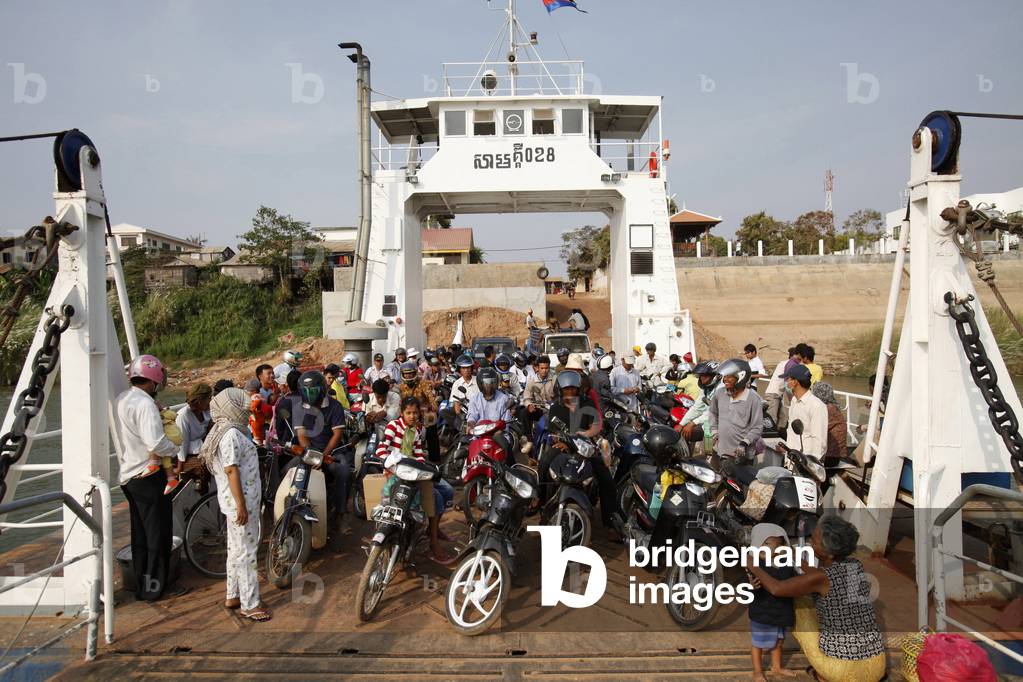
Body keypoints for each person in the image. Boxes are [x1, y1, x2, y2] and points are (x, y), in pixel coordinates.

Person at [746, 516, 886, 682]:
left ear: (828, 553)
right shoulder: (855, 565)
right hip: (876, 666)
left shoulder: (821, 578)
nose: (811, 542)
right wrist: (794, 556)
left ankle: (824, 675)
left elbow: (776, 589)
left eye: (815, 540)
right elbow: (816, 575)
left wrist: (752, 565)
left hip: (840, 671)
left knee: (799, 600)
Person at [199, 387, 271, 622]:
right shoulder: (230, 434)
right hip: (241, 503)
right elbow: (231, 469)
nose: (244, 406)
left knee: (235, 549)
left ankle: (233, 595)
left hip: (235, 503)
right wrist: (241, 504)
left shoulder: (223, 430)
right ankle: (250, 603)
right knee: (248, 552)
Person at [115, 354, 180, 601]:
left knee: (140, 534)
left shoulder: (123, 398)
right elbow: (155, 441)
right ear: (153, 380)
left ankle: (143, 585)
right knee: (158, 533)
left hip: (129, 475)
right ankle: (156, 588)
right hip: (148, 476)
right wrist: (174, 449)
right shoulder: (144, 405)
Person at [539, 371, 620, 541]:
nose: (570, 392)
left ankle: (610, 524)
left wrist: (588, 434)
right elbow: (554, 432)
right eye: (566, 389)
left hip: (585, 447)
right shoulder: (556, 407)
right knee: (544, 463)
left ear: (578, 389)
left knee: (607, 481)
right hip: (561, 446)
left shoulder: (588, 403)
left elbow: (595, 426)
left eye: (573, 389)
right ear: (560, 390)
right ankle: (541, 503)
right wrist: (563, 442)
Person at [376, 396, 454, 564]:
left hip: (414, 473)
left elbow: (418, 454)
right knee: (437, 499)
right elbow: (381, 449)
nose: (412, 416)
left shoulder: (417, 431)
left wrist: (423, 467)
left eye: (415, 413)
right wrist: (388, 462)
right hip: (396, 472)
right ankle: (433, 543)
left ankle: (433, 529)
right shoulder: (393, 426)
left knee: (447, 490)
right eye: (408, 413)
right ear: (401, 413)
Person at [292, 370, 351, 536]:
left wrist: (323, 456)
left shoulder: (335, 406)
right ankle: (291, 511)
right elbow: (302, 435)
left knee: (344, 472)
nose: (310, 395)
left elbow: (337, 435)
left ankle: (340, 515)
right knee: (287, 472)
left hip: (331, 452)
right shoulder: (298, 408)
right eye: (306, 391)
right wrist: (312, 455)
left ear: (322, 390)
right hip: (309, 452)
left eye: (313, 391)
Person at [746, 524, 795, 682]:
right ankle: (758, 671)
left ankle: (776, 667)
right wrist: (750, 586)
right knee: (758, 644)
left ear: (781, 547)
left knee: (778, 642)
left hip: (781, 612)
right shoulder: (753, 566)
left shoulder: (786, 565)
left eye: (768, 544)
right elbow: (744, 588)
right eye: (760, 544)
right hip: (761, 613)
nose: (762, 548)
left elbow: (793, 582)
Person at [708, 358, 763, 462]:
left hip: (739, 454)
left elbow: (757, 427)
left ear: (740, 377)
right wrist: (714, 431)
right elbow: (712, 413)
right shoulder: (719, 393)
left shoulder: (753, 398)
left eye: (729, 377)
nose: (725, 380)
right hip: (718, 451)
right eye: (724, 377)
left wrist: (745, 442)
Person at [782, 364, 828, 461]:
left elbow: (819, 441)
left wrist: (811, 465)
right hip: (791, 459)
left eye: (788, 379)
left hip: (806, 463)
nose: (786, 382)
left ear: (795, 382)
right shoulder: (794, 401)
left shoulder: (816, 406)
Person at [677, 361, 721, 446]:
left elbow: (715, 412)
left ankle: (711, 454)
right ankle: (708, 453)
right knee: (683, 431)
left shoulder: (721, 388)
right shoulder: (705, 388)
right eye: (701, 375)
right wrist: (681, 424)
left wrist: (693, 423)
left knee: (694, 431)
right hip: (709, 420)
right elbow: (697, 407)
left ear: (713, 375)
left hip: (721, 422)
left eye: (705, 375)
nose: (701, 378)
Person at [175, 383, 212, 477]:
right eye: (208, 398)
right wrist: (180, 468)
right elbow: (182, 443)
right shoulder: (183, 416)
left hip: (204, 446)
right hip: (188, 452)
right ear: (200, 402)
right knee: (203, 466)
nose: (210, 401)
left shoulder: (207, 411)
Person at [811, 382, 847, 466]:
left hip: (830, 456)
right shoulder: (832, 407)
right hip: (835, 455)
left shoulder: (827, 409)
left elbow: (815, 429)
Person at [764, 354, 792, 430]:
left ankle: (776, 433)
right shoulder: (790, 364)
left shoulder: (783, 363)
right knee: (772, 418)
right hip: (774, 393)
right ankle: (769, 434)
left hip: (775, 392)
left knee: (779, 416)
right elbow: (787, 382)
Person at [245, 378, 272, 446]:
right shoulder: (259, 397)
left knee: (258, 440)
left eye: (248, 391)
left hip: (256, 423)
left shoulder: (256, 398)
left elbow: (252, 409)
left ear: (254, 391)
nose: (246, 392)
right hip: (258, 422)